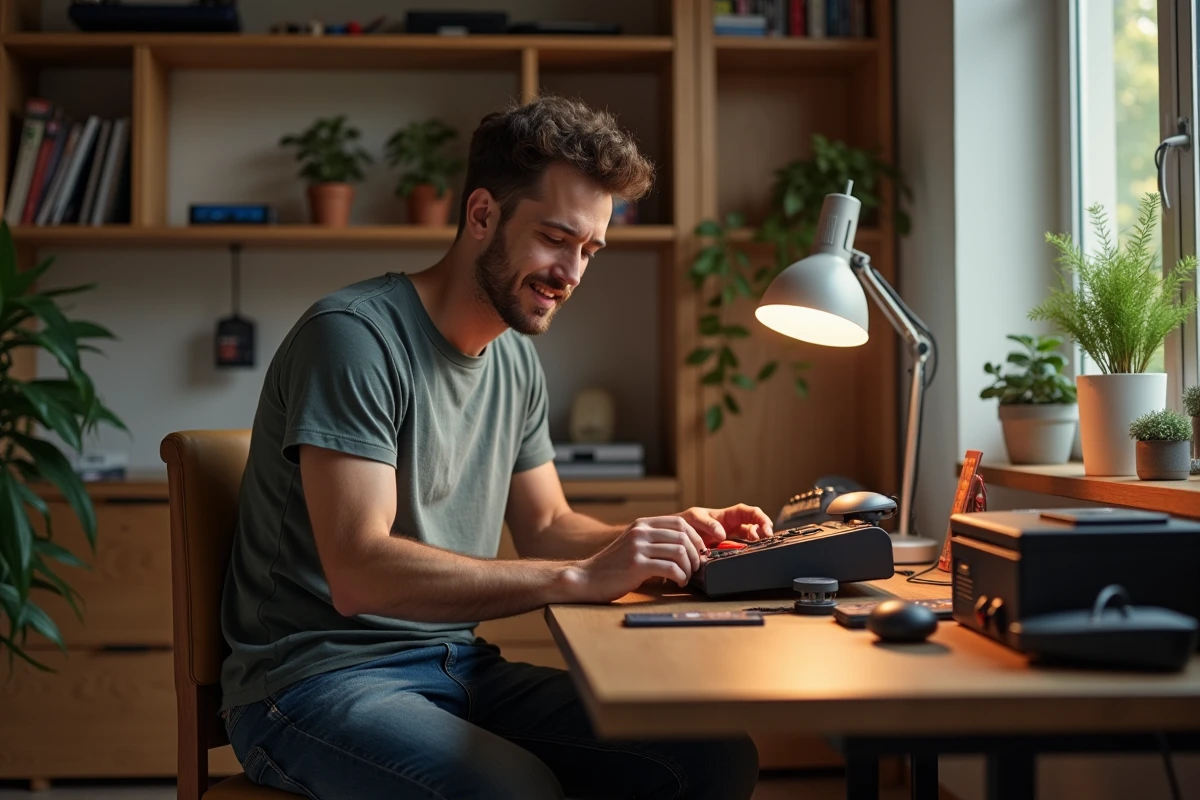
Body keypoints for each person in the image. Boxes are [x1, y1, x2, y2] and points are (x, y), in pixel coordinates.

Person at [220, 95, 770, 799]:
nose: (570, 273)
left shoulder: (514, 360)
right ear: (482, 215)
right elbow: (359, 570)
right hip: (310, 685)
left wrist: (656, 544)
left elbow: (548, 526)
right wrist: (576, 579)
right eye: (555, 239)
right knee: (514, 793)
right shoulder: (354, 337)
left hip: (453, 662)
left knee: (713, 757)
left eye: (589, 250)